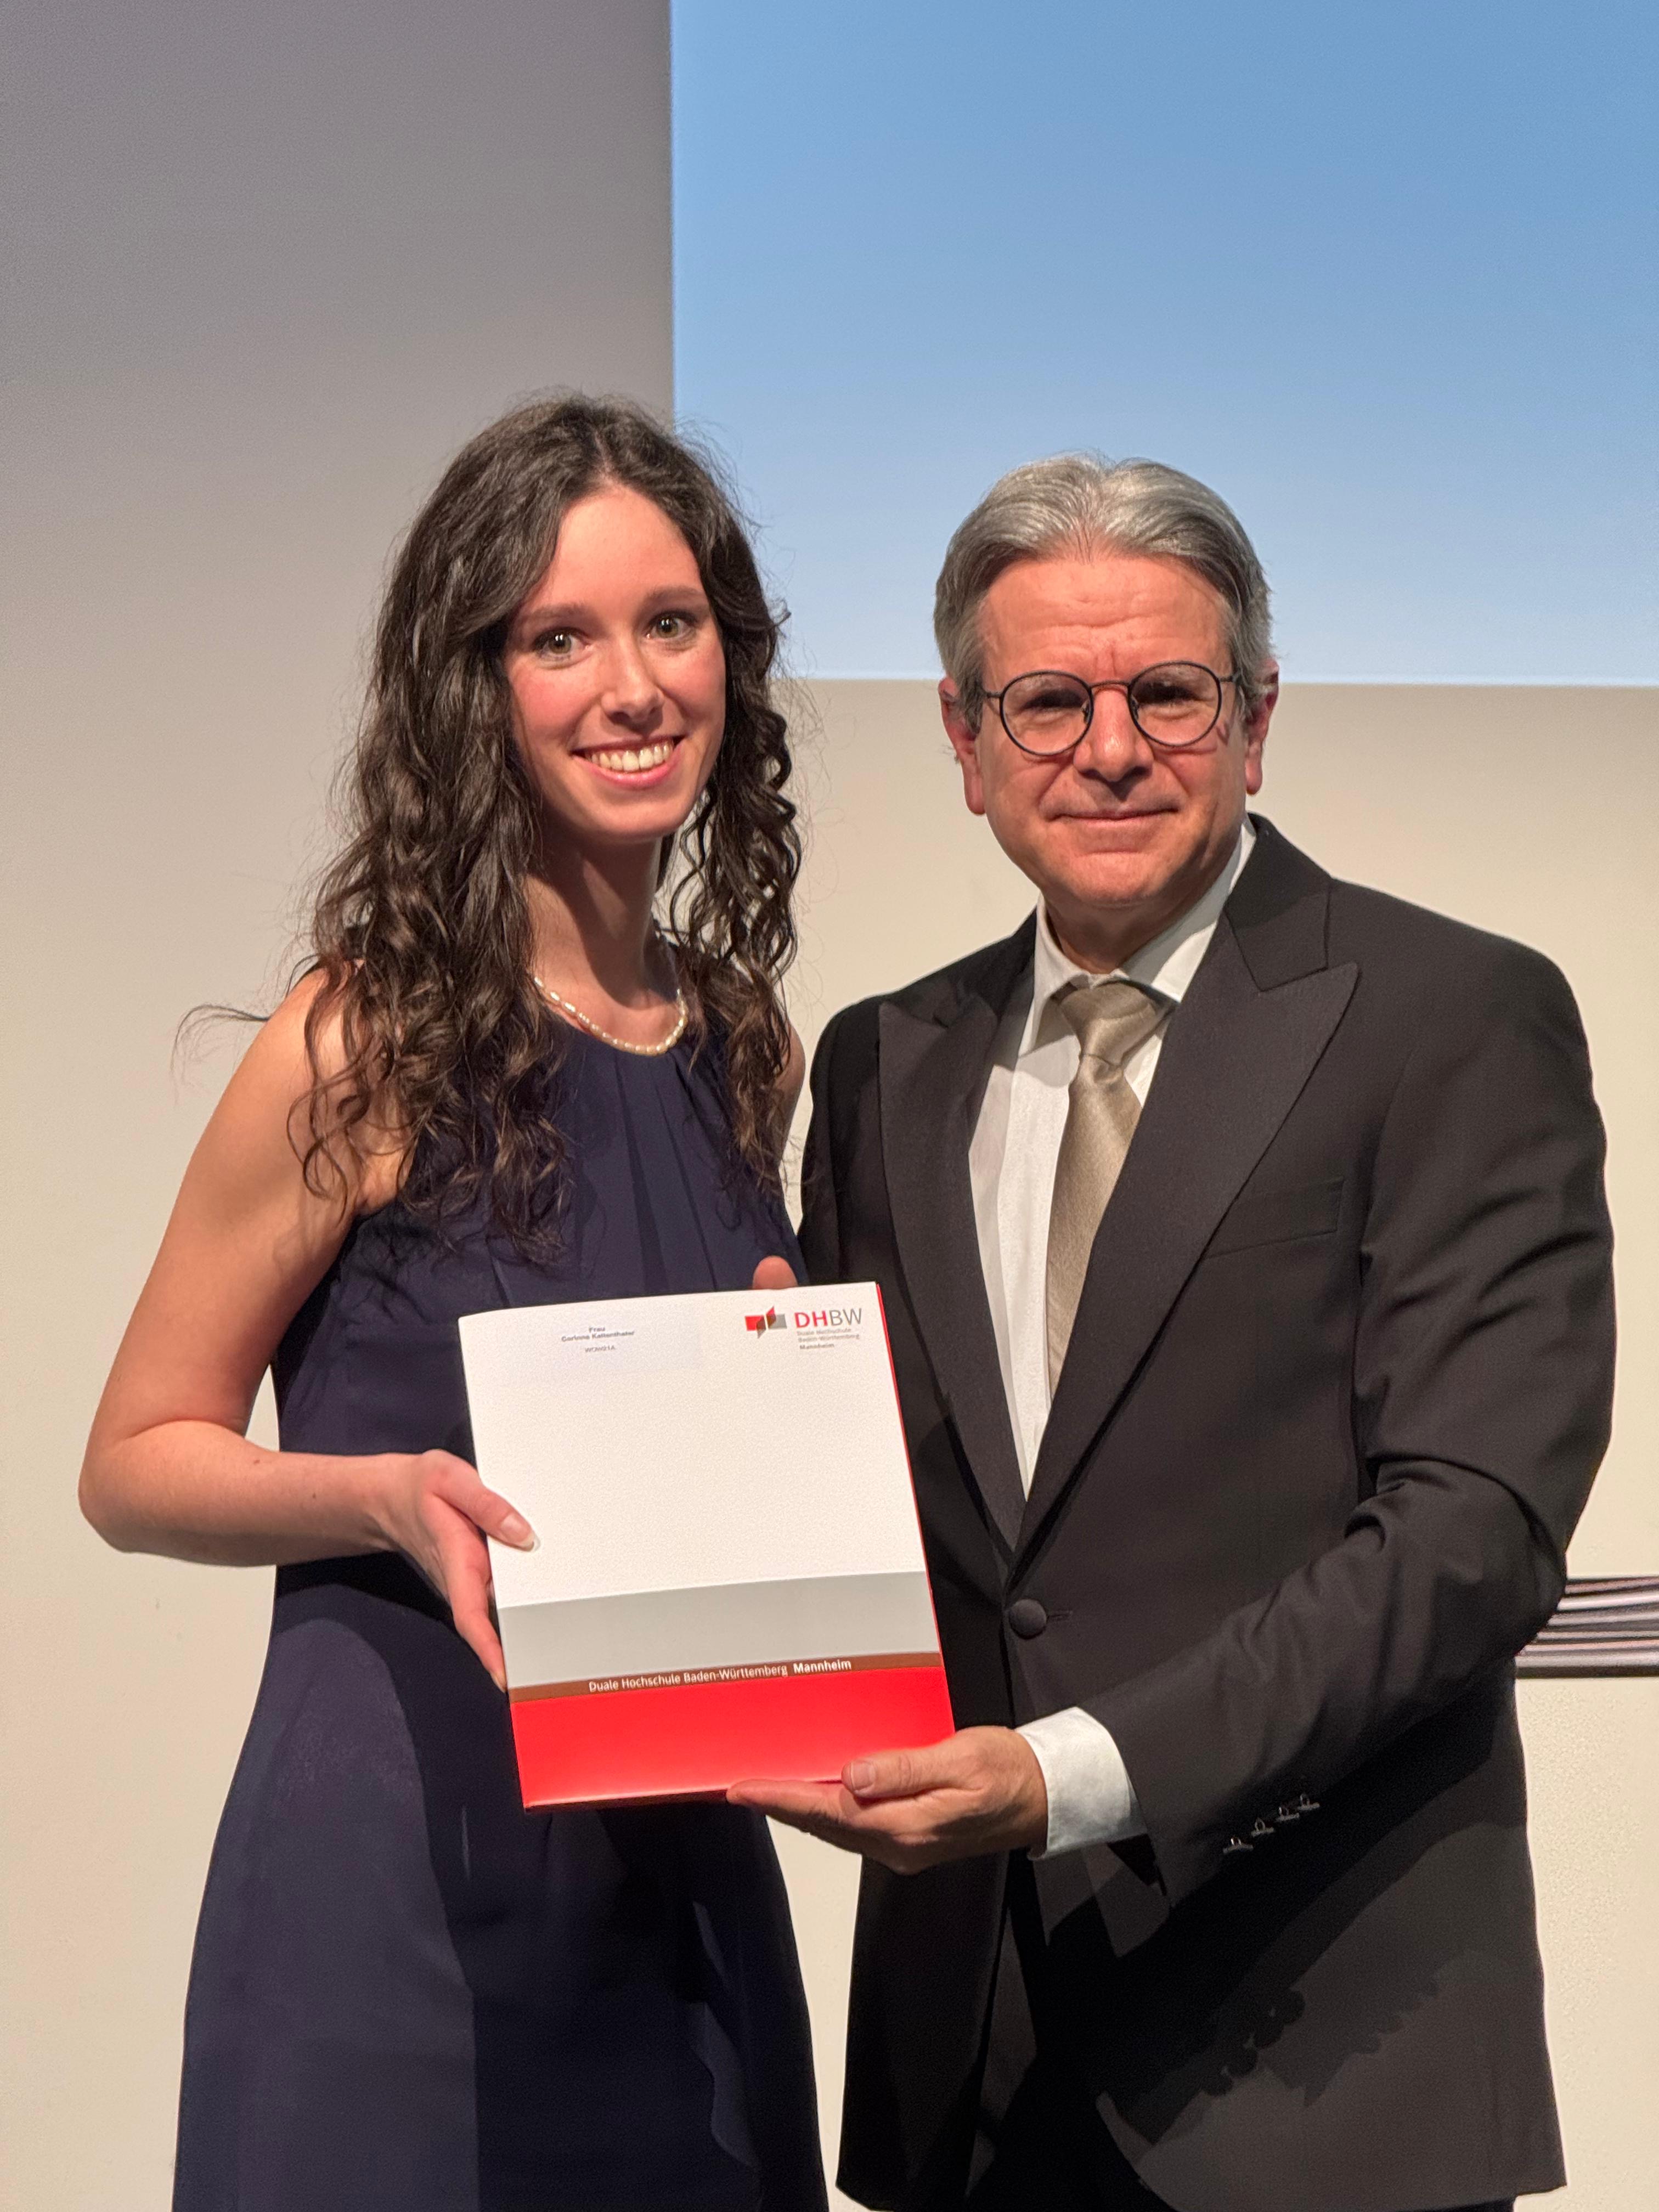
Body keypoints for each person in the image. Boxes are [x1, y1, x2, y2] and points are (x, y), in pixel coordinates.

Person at [731, 455, 1613, 2211]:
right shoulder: (883, 1060)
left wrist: (1068, 1777)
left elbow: (1472, 1534)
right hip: (971, 2072)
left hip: (1328, 2074)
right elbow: (897, 1522)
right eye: (1049, 702)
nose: (1111, 748)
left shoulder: (1453, 1015)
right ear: (967, 739)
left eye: (1169, 695)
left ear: (1258, 720)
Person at [80, 395, 827, 2212]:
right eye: (559, 639)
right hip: (401, 1875)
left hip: (678, 1897)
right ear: (473, 688)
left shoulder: (744, 1041)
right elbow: (134, 1458)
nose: (632, 687)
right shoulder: (366, 1037)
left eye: (671, 623)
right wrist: (379, 1498)